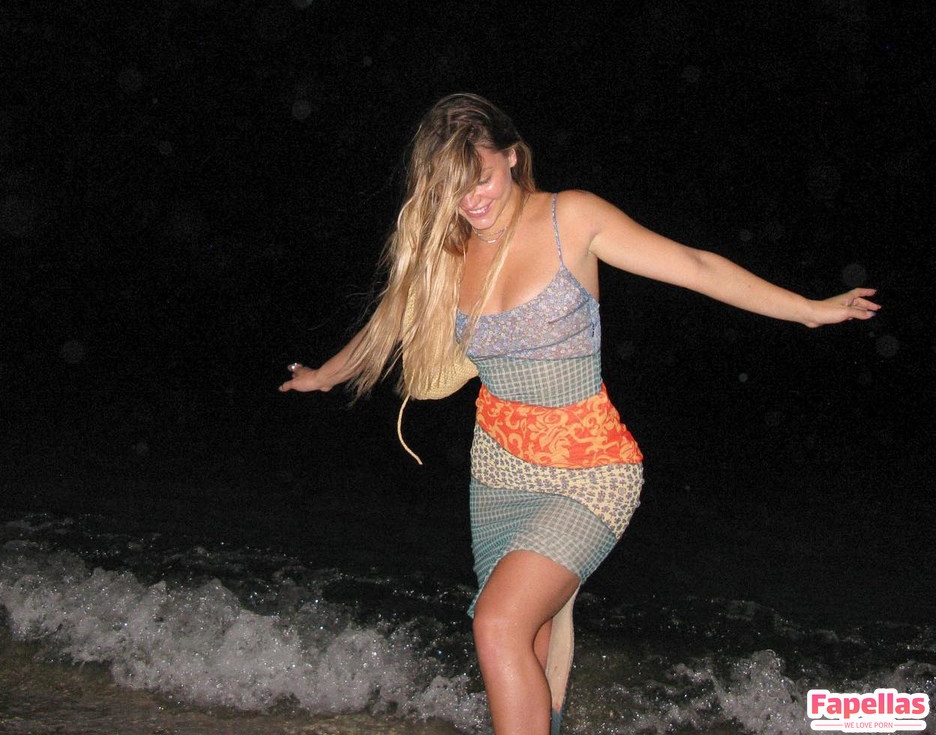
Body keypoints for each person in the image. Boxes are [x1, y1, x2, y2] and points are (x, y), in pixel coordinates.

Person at [279, 93, 878, 735]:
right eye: (452, 188)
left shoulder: (573, 218)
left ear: (513, 156)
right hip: (499, 471)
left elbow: (697, 267)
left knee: (496, 625)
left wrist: (808, 310)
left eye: (481, 178)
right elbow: (386, 325)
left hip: (591, 471)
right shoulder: (446, 251)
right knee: (527, 641)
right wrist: (323, 376)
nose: (470, 200)